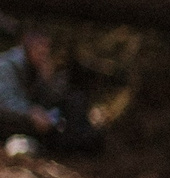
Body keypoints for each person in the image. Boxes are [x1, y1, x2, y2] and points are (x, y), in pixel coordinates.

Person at [0, 21, 102, 156]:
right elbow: (7, 101)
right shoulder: (7, 65)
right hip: (10, 121)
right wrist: (31, 113)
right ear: (28, 46)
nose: (44, 51)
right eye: (40, 45)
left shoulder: (38, 68)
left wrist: (48, 80)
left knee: (74, 103)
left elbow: (51, 100)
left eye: (46, 46)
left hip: (33, 121)